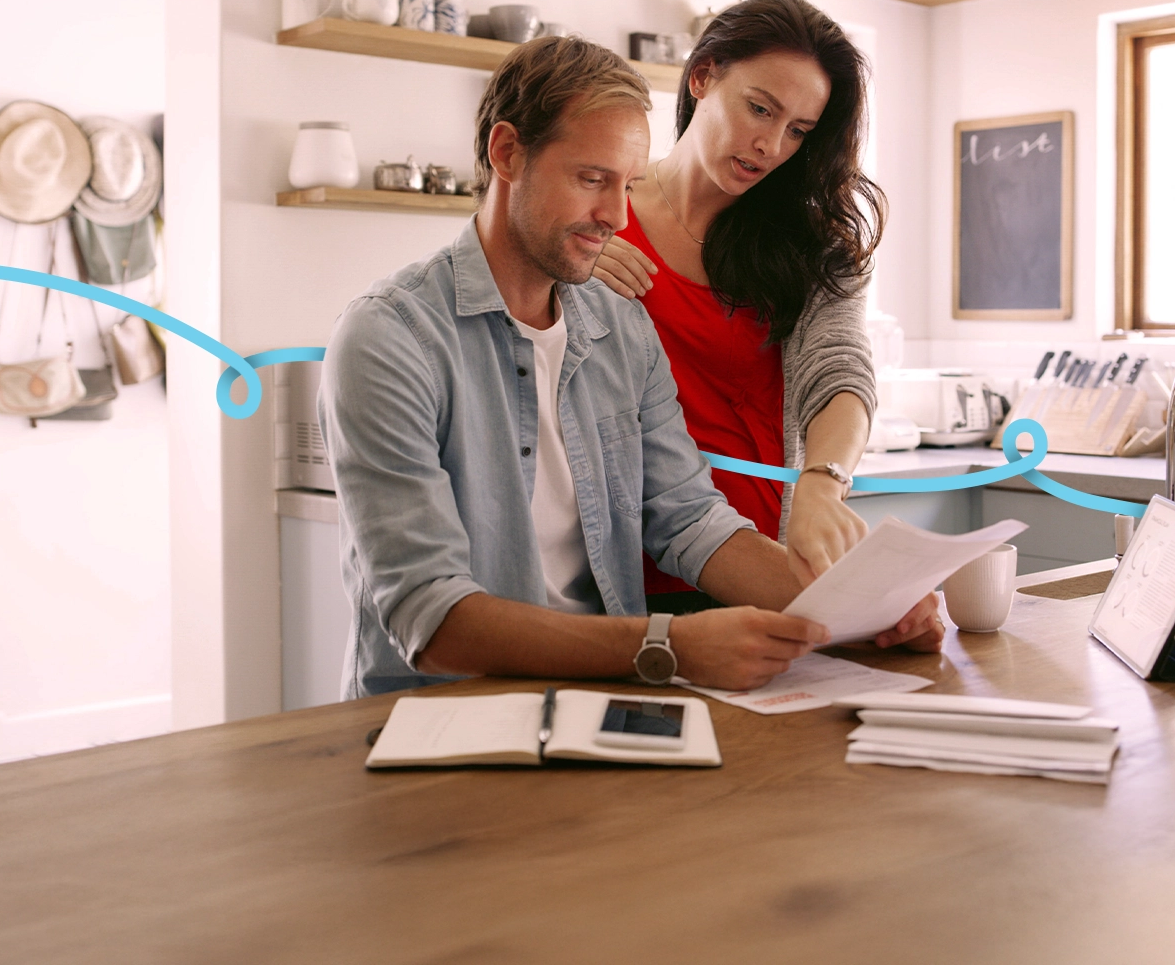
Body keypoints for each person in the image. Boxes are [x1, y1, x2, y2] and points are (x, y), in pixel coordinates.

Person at [320, 34, 943, 699]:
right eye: (592, 180)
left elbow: (689, 520)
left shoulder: (618, 327)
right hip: (436, 723)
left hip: (601, 703)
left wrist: (867, 609)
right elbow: (432, 618)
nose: (616, 216)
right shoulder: (388, 337)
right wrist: (664, 646)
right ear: (507, 154)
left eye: (627, 184)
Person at [590, 0, 885, 606]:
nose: (771, 145)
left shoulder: (811, 250)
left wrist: (824, 484)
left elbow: (840, 371)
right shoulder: (594, 219)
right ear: (702, 76)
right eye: (759, 109)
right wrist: (565, 261)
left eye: (798, 131)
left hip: (755, 571)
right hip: (607, 576)